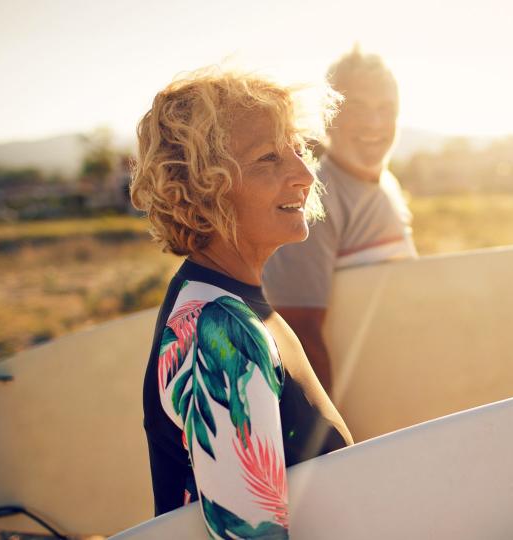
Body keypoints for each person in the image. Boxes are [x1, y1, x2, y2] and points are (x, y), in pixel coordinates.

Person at [130, 66, 353, 539]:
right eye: (269, 158)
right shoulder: (221, 331)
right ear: (202, 189)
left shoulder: (231, 304)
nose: (304, 172)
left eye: (297, 147)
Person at [263, 47, 417, 394]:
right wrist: (335, 442)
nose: (374, 123)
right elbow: (298, 333)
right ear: (327, 115)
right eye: (357, 107)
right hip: (360, 418)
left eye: (386, 109)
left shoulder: (387, 185)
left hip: (402, 396)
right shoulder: (313, 201)